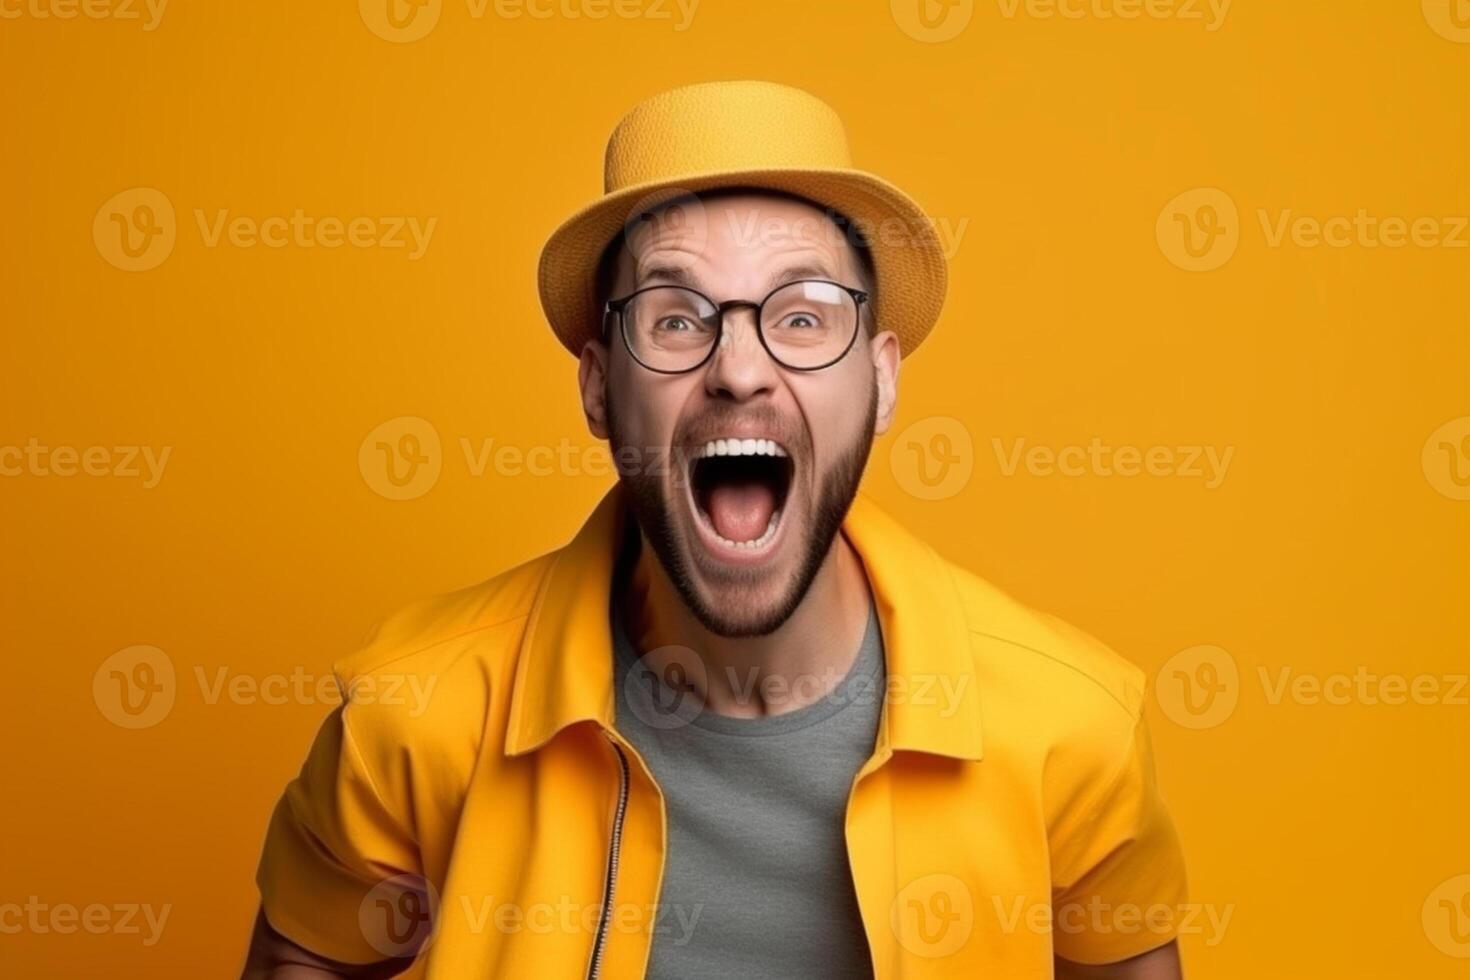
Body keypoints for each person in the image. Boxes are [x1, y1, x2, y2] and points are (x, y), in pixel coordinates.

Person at [243, 80, 1188, 979]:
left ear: (883, 379)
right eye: (677, 318)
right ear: (597, 385)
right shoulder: (416, 713)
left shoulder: (1072, 728)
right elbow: (308, 952)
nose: (740, 370)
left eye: (804, 316)